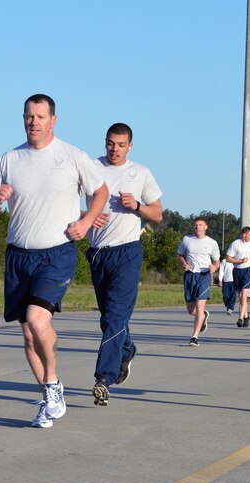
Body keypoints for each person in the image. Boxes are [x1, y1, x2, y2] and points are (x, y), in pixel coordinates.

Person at [0, 94, 109, 428]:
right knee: (30, 334)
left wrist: (84, 223)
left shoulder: (71, 156)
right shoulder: (9, 159)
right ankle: (49, 397)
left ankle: (52, 383)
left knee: (37, 322)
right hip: (18, 255)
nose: (33, 122)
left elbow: (102, 192)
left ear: (53, 120)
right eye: (28, 116)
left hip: (57, 252)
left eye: (39, 116)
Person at [84, 123, 163, 406]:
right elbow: (66, 202)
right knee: (108, 318)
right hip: (98, 253)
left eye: (120, 145)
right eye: (110, 143)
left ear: (130, 146)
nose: (114, 149)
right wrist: (86, 215)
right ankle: (126, 348)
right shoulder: (90, 168)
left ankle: (103, 378)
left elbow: (157, 214)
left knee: (116, 317)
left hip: (127, 252)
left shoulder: (140, 173)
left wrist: (138, 206)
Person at [177, 217, 221, 346]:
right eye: (196, 225)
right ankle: (203, 316)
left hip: (204, 275)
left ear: (206, 227)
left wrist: (214, 267)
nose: (198, 227)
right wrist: (184, 263)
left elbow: (217, 261)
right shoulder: (187, 240)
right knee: (191, 311)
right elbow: (180, 255)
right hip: (190, 276)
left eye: (200, 225)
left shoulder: (212, 243)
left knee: (199, 306)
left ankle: (194, 337)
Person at [226, 227, 250, 327]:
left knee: (244, 295)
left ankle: (240, 318)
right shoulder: (235, 244)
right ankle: (246, 316)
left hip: (247, 270)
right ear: (244, 234)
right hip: (237, 271)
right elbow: (228, 259)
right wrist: (239, 261)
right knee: (241, 297)